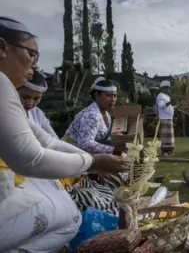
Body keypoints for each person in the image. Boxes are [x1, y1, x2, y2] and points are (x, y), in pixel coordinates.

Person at [0, 17, 125, 252]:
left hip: (63, 163)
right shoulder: (1, 83)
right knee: (70, 217)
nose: (35, 66)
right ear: (2, 48)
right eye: (31, 54)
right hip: (36, 171)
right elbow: (32, 159)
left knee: (68, 207)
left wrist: (94, 163)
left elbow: (46, 140)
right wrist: (95, 161)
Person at [62, 77, 127, 216]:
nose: (113, 99)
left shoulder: (106, 114)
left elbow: (101, 138)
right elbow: (84, 143)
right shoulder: (92, 115)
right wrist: (113, 150)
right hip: (71, 154)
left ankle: (115, 204)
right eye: (108, 96)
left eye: (115, 96)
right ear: (96, 95)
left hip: (87, 154)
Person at [18, 69, 57, 137]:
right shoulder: (6, 112)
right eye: (25, 97)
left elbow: (53, 138)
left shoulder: (38, 113)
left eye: (36, 98)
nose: (30, 103)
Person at [156, 80, 175, 155]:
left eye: (168, 88)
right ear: (162, 88)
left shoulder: (167, 96)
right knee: (165, 136)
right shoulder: (160, 96)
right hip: (164, 118)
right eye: (166, 88)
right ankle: (164, 151)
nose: (168, 89)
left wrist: (173, 104)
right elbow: (161, 106)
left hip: (169, 118)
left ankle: (169, 150)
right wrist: (170, 102)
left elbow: (169, 106)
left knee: (169, 137)